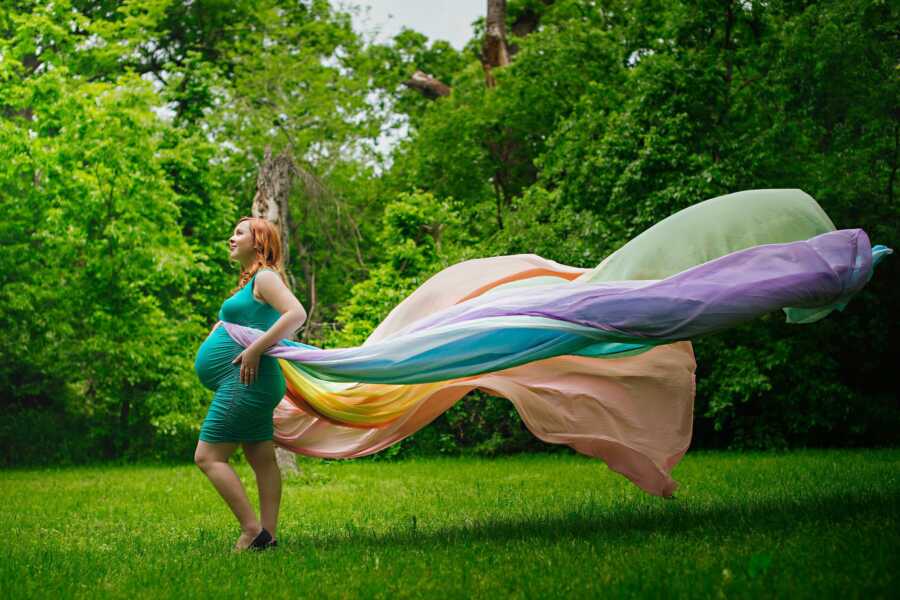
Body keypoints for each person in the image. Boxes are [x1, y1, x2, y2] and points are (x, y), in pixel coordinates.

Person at [193, 217, 307, 552]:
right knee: (260, 456)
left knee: (208, 456)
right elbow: (249, 321)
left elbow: (296, 314)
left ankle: (251, 530)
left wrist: (255, 350)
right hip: (254, 382)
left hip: (247, 381)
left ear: (258, 242)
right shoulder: (252, 283)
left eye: (239, 233)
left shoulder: (266, 277)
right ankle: (267, 537)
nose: (231, 238)